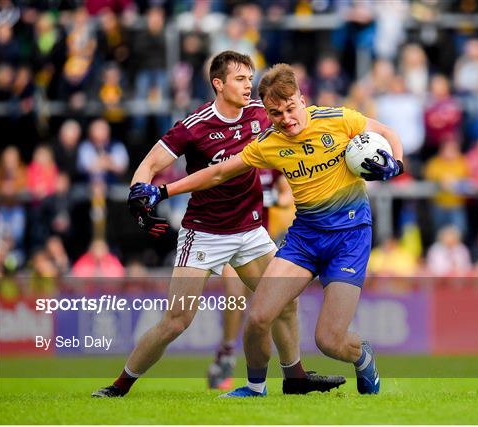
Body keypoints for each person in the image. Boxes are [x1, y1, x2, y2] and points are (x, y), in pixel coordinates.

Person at [135, 63, 404, 397]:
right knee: (260, 316)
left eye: (291, 108)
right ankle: (255, 387)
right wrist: (162, 191)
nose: (286, 119)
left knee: (329, 341)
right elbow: (219, 173)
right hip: (305, 237)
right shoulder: (269, 142)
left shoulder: (338, 119)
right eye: (276, 113)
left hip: (350, 237)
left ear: (301, 99)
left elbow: (389, 135)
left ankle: (363, 357)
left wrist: (398, 164)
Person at [92, 52, 344, 398]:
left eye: (250, 77)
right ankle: (120, 385)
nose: (248, 85)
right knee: (177, 320)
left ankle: (296, 378)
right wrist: (139, 196)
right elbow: (149, 165)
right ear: (218, 83)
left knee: (286, 302)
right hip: (205, 233)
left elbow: (301, 127)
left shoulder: (261, 113)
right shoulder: (193, 126)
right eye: (240, 78)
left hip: (252, 230)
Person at [208, 169, 293, 390]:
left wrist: (268, 197)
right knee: (235, 297)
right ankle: (226, 355)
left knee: (276, 302)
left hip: (261, 243)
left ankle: (290, 368)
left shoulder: (269, 160)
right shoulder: (231, 159)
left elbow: (287, 195)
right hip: (231, 238)